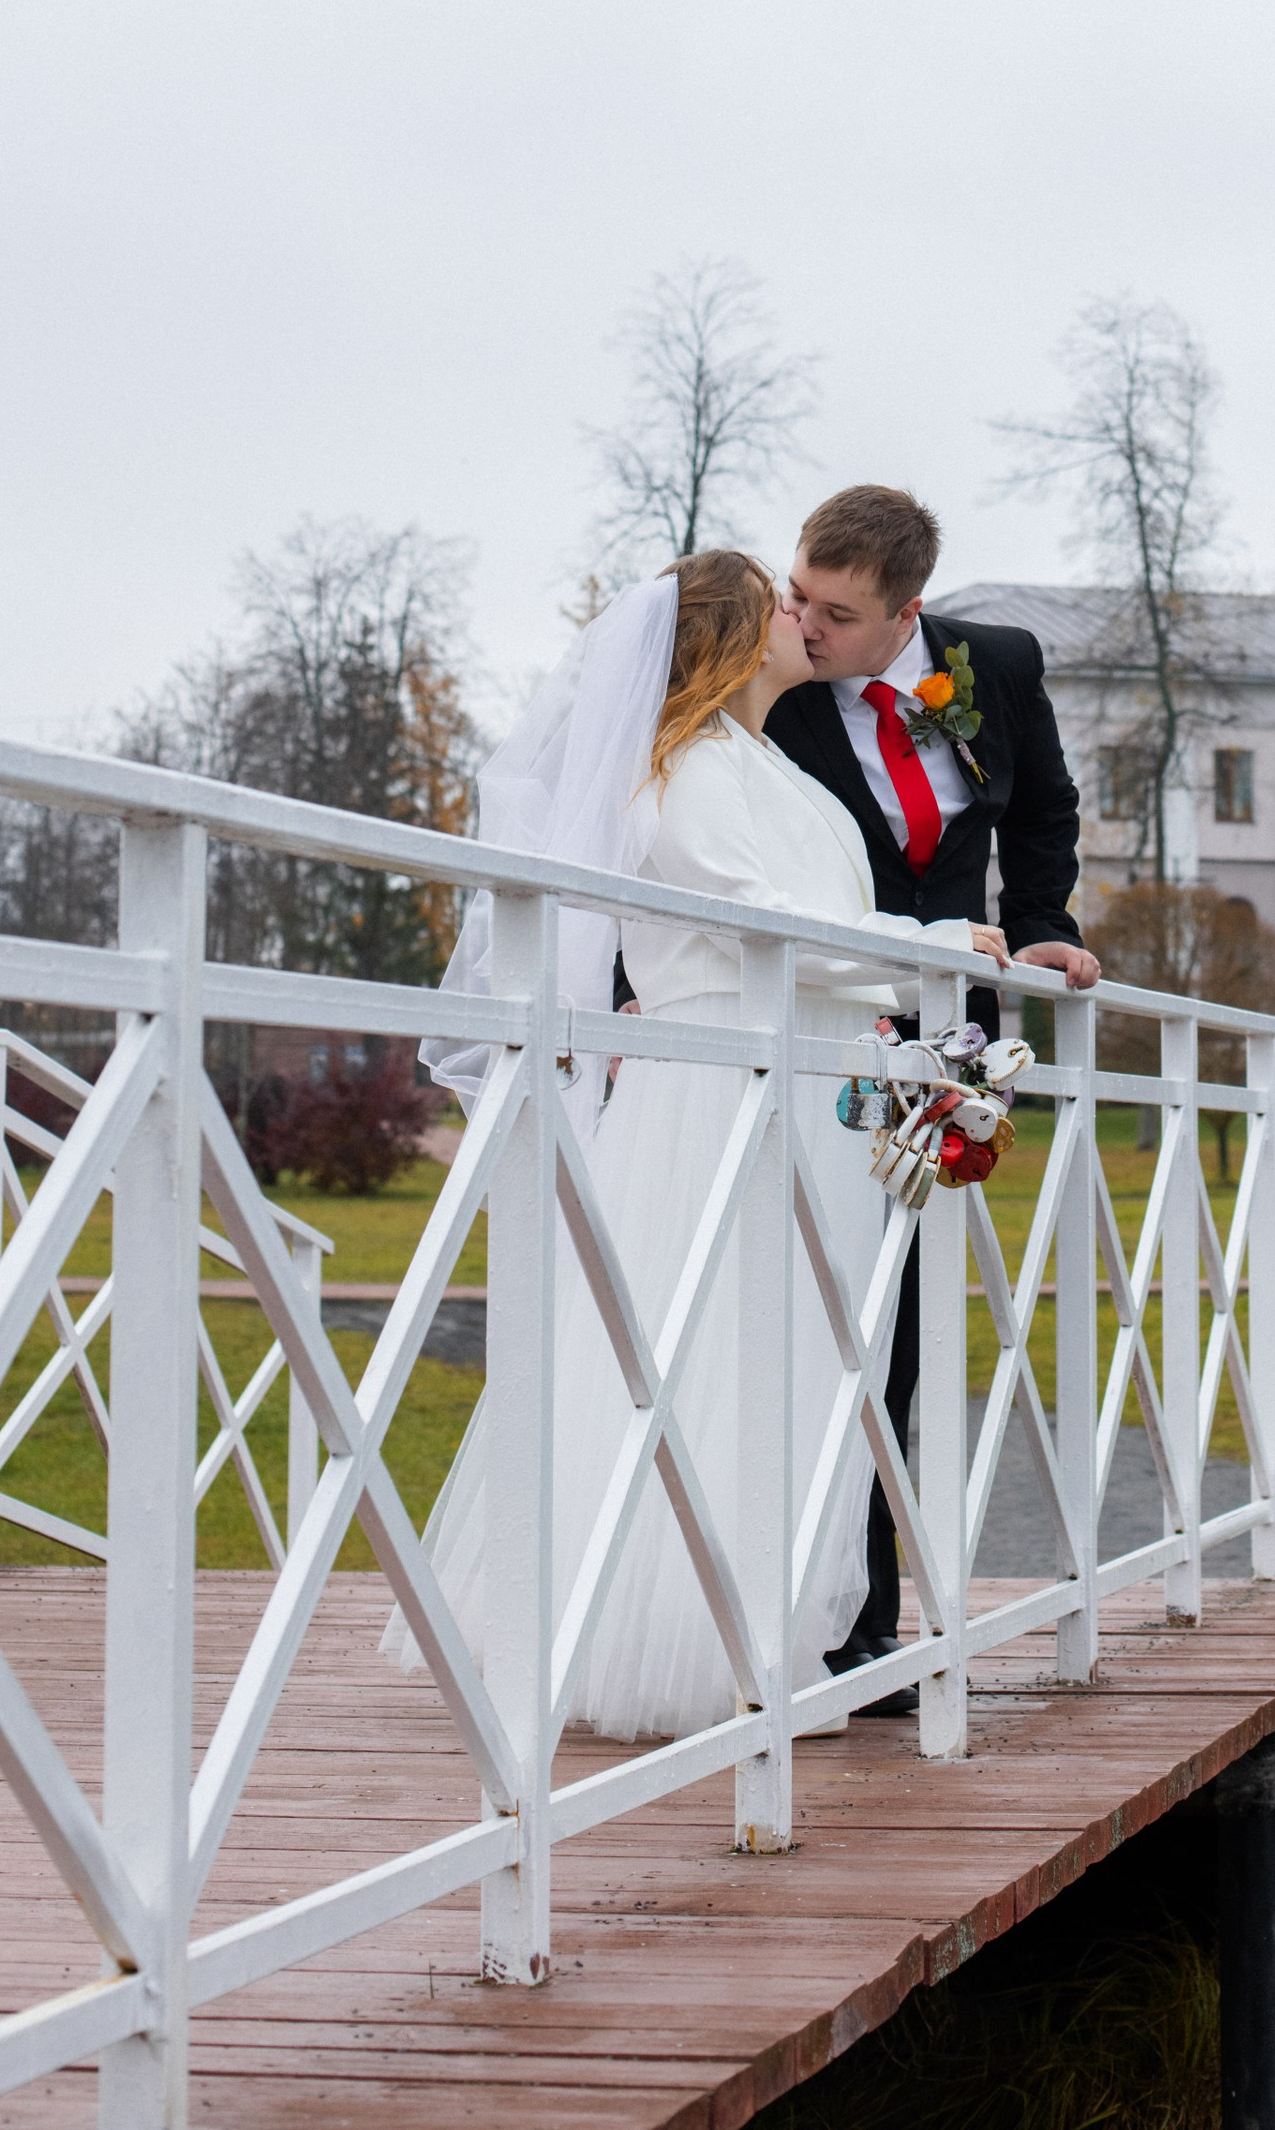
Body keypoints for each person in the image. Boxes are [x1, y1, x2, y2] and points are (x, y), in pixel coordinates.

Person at [392, 552, 995, 1744]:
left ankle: (759, 1622)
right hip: (719, 1077)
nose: (798, 617)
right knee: (714, 1334)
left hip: (807, 1070)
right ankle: (683, 1632)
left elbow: (813, 925)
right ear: (725, 634)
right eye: (778, 601)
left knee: (797, 1353)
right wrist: (936, 946)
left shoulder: (769, 765)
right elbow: (764, 922)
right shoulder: (685, 770)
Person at [763, 484, 1099, 1692]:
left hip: (948, 1048)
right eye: (799, 592)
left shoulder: (995, 666)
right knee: (811, 1312)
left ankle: (869, 1625)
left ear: (907, 613)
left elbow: (1045, 810)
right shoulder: (775, 685)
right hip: (812, 1035)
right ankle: (823, 1623)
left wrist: (1044, 925)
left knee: (899, 1325)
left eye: (837, 611)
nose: (805, 624)